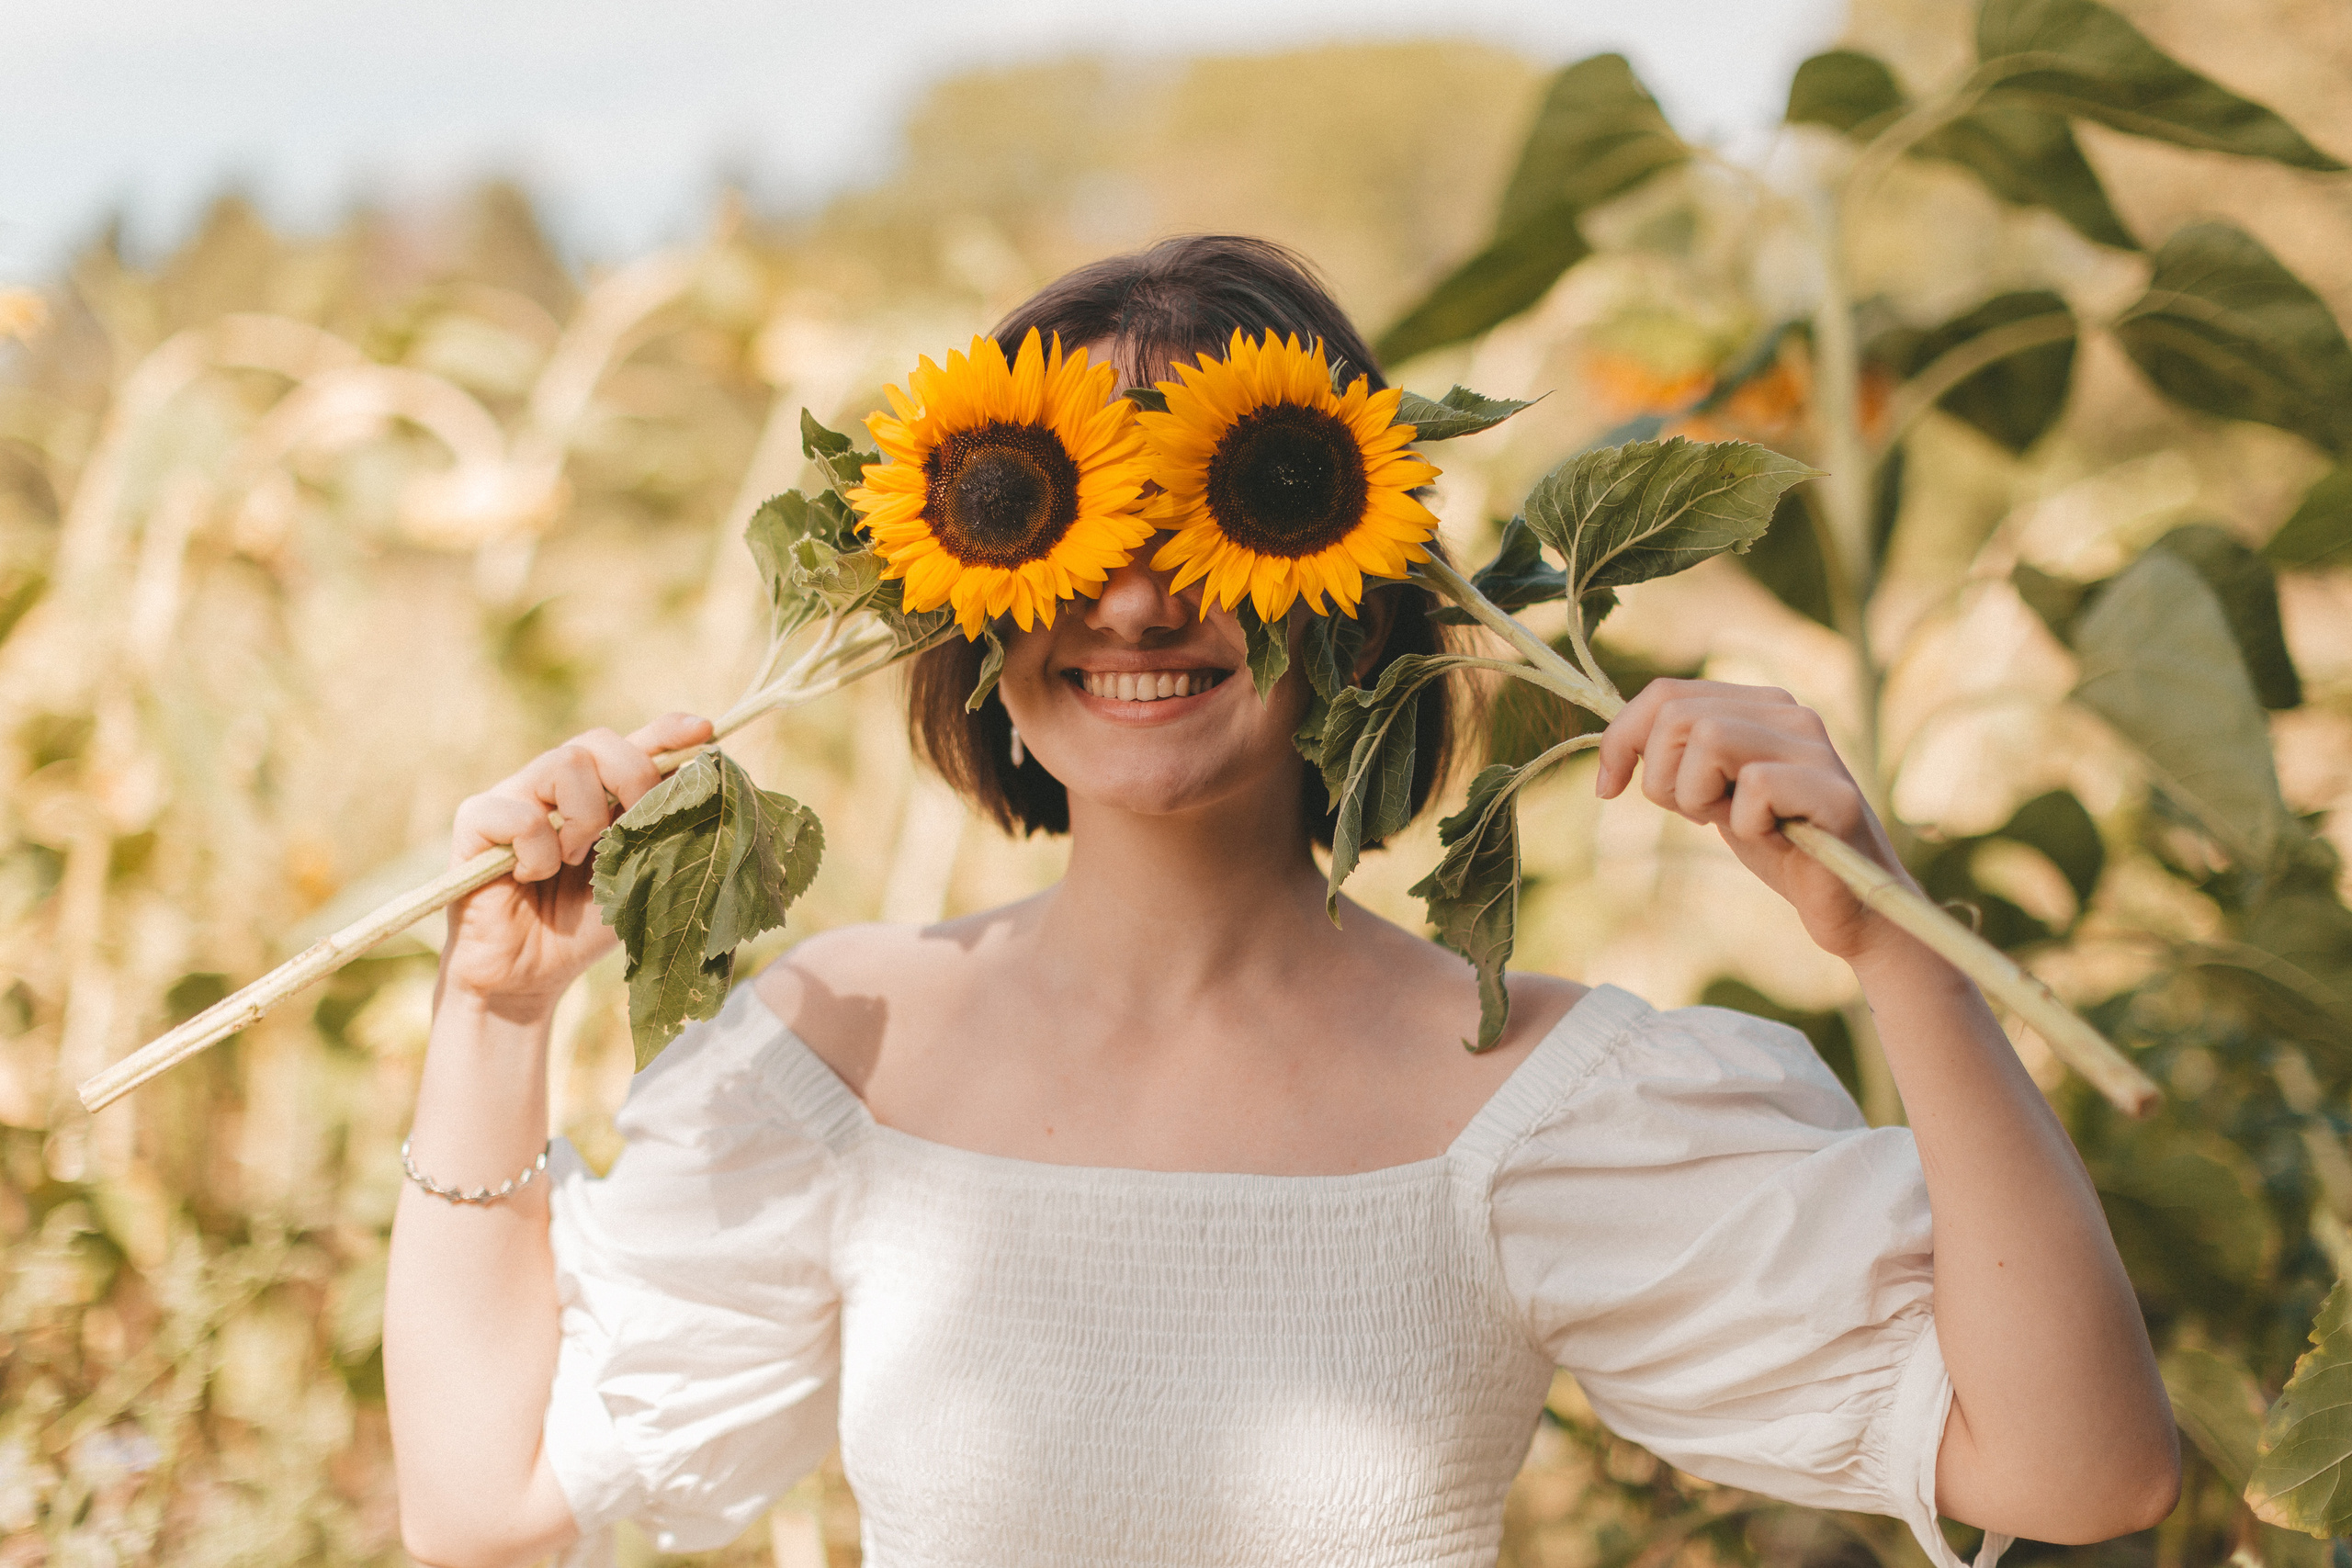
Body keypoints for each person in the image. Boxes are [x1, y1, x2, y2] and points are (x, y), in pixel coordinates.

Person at [382, 236, 2177, 1568]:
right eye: (1058, 516)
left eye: (1223, 513)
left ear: (1357, 573)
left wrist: (1898, 950)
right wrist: (496, 1013)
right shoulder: (837, 1055)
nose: (1137, 600)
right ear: (956, 594)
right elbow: (483, 1501)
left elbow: (2077, 1467)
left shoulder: (1528, 1095)